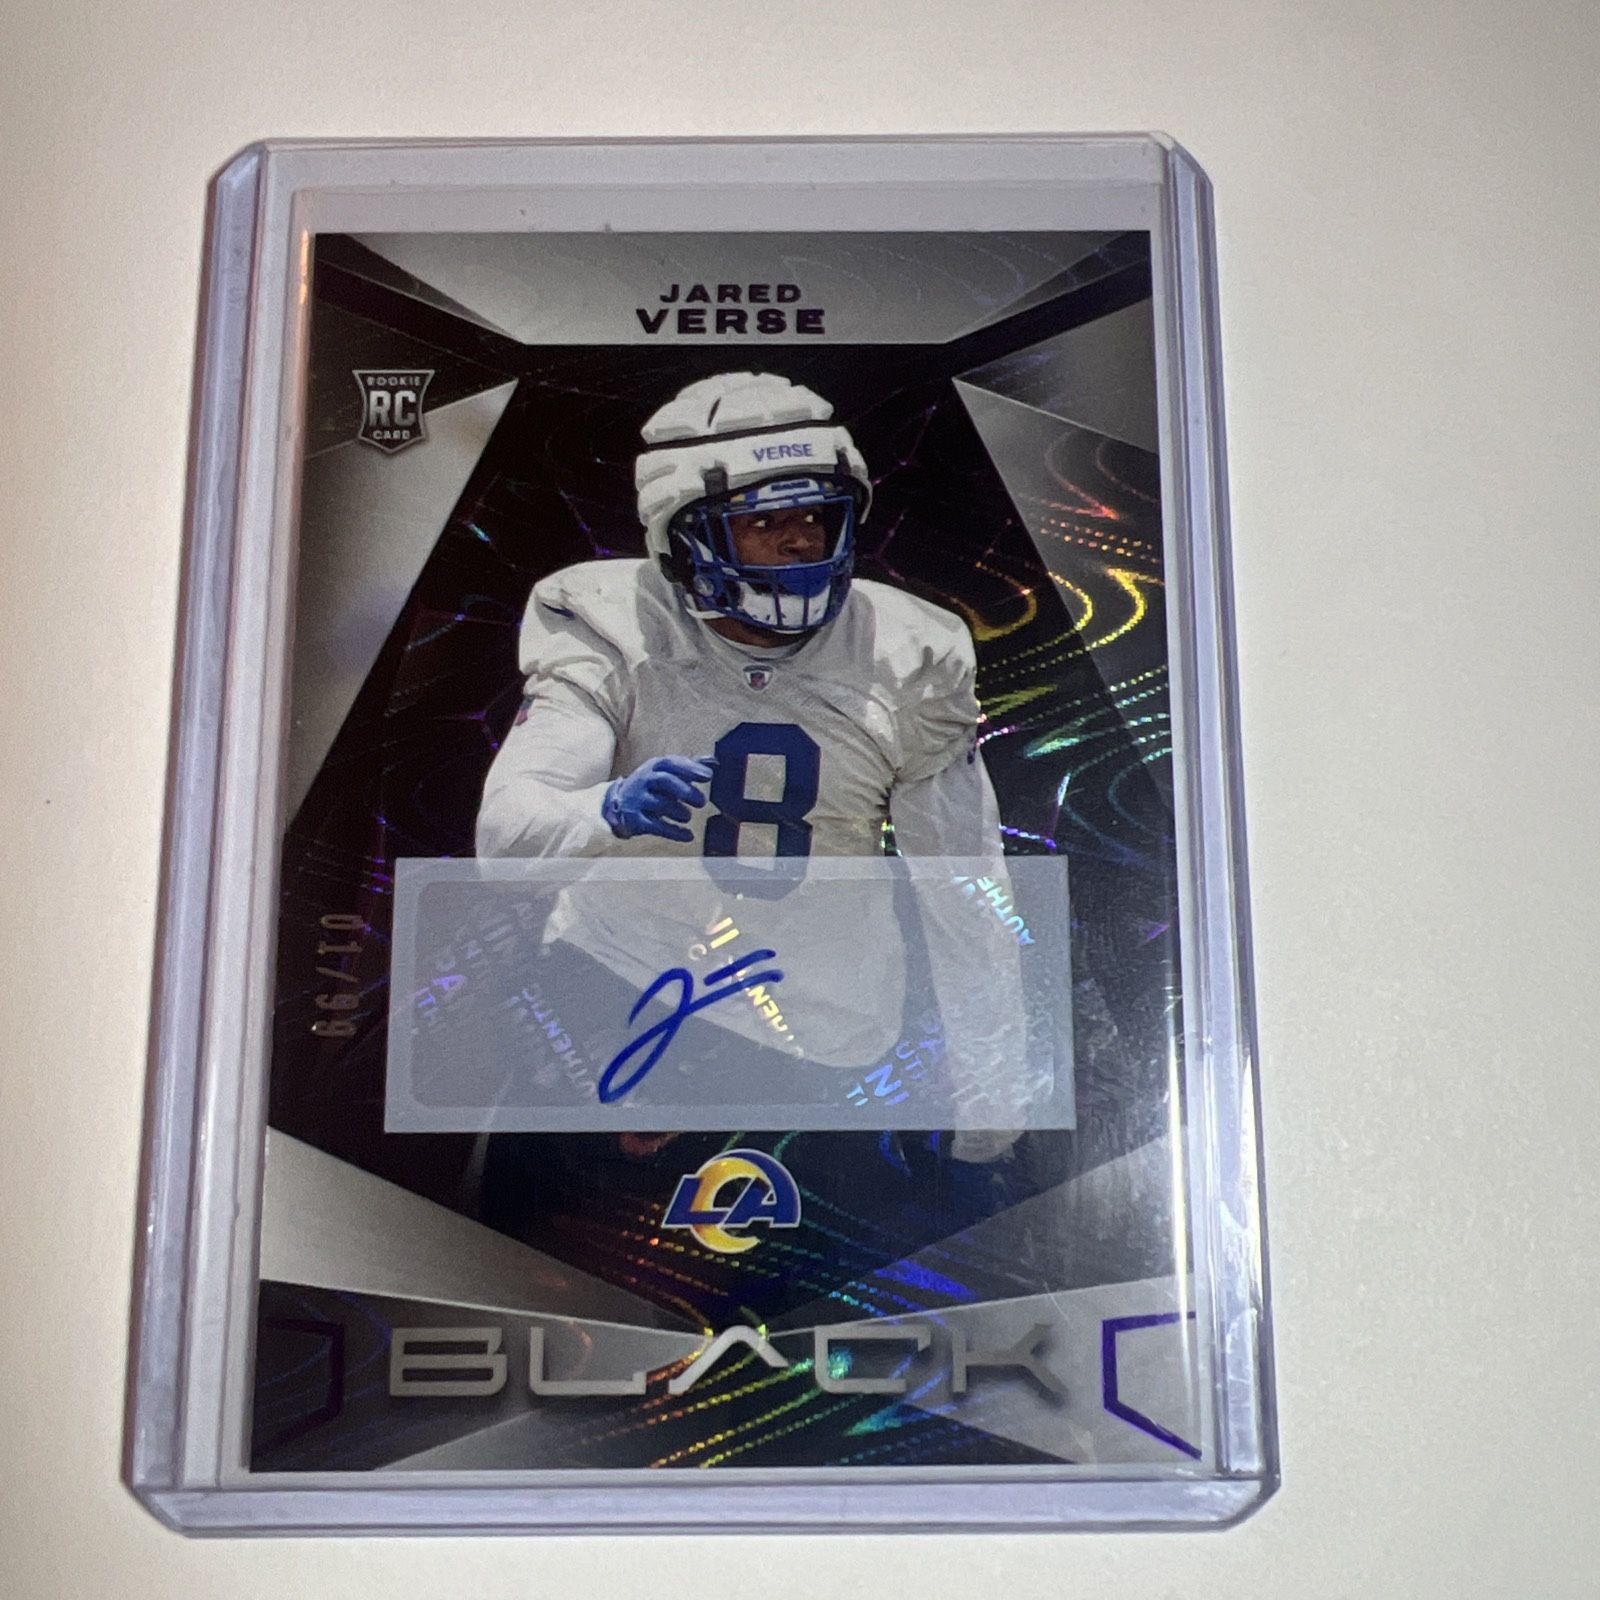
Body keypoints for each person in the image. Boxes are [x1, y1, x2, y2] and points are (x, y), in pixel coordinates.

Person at [476, 370, 1024, 1161]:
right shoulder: (608, 622)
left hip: (817, 1026)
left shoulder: (910, 653)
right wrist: (605, 810)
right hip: (620, 984)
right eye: (766, 521)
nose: (802, 541)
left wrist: (993, 1090)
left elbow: (965, 887)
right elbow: (504, 840)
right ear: (685, 533)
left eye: (817, 516)